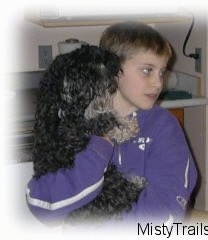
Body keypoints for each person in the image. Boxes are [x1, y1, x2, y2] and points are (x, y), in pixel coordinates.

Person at [26, 21, 198, 226]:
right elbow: (43, 206)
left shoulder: (163, 126)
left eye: (162, 72)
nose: (158, 83)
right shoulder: (78, 126)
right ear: (112, 69)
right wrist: (100, 146)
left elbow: (167, 208)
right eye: (147, 71)